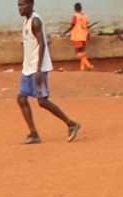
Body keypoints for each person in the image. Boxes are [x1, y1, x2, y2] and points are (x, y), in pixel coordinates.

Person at [17, 0, 81, 144]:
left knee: (42, 101)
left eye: (23, 5)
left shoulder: (35, 21)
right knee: (21, 98)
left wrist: (39, 69)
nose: (20, 8)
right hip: (27, 68)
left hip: (37, 68)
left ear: (31, 5)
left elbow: (42, 45)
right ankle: (34, 134)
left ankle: (71, 124)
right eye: (18, 5)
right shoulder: (26, 21)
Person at [65, 3, 95, 71]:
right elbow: (86, 26)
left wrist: (65, 32)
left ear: (75, 9)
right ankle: (82, 68)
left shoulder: (75, 16)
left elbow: (72, 26)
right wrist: (88, 34)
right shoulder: (84, 16)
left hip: (77, 36)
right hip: (84, 36)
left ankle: (88, 65)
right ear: (81, 8)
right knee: (83, 51)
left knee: (78, 53)